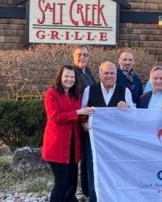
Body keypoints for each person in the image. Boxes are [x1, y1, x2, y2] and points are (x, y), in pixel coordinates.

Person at [81, 61, 134, 201]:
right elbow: (82, 113)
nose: (109, 76)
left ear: (116, 75)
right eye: (106, 73)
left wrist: (127, 107)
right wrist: (84, 124)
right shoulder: (89, 90)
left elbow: (134, 117)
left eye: (112, 73)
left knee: (117, 171)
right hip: (94, 142)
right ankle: (95, 199)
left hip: (117, 143)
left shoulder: (125, 91)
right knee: (94, 172)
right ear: (100, 74)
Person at [42, 65, 94, 202]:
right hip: (57, 146)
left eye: (72, 77)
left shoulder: (76, 94)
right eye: (66, 76)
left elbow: (80, 115)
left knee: (71, 182)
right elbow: (55, 117)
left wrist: (85, 121)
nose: (69, 79)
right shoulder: (51, 94)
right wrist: (78, 113)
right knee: (61, 183)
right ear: (60, 77)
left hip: (73, 144)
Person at [72, 45, 96, 198]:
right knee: (82, 158)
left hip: (89, 121)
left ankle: (87, 189)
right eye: (80, 54)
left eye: (85, 54)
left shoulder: (89, 72)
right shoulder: (72, 73)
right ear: (73, 56)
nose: (83, 57)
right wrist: (82, 121)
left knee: (88, 157)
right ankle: (83, 189)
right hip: (79, 120)